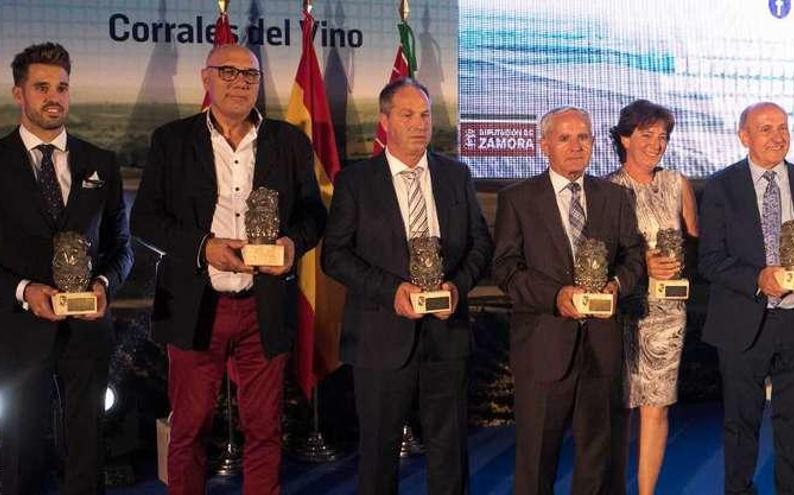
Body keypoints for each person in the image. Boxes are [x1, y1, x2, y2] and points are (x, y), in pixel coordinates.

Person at [130, 44, 326, 495]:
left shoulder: (290, 141)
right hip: (198, 305)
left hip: (265, 305)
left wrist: (292, 244)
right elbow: (144, 220)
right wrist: (204, 248)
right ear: (206, 78)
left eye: (251, 75)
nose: (240, 82)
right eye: (229, 72)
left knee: (265, 429)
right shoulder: (172, 140)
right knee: (190, 430)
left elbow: (314, 215)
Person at [321, 77, 492, 495]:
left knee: (449, 452)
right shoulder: (356, 181)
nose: (420, 124)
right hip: (380, 337)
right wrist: (390, 291)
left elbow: (480, 244)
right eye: (407, 115)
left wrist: (458, 287)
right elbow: (335, 256)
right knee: (378, 456)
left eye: (425, 115)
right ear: (385, 121)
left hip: (446, 336)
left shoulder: (456, 174)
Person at [0, 42, 133, 494]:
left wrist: (103, 284)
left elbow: (122, 247)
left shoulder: (101, 162)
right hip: (17, 331)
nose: (53, 96)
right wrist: (23, 290)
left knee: (87, 452)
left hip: (88, 331)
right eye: (41, 87)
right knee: (20, 454)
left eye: (61, 87)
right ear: (19, 93)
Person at [493, 106, 644, 495]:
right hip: (544, 347)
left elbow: (633, 257)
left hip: (601, 347)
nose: (577, 146)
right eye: (565, 138)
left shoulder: (615, 197)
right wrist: (555, 297)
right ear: (544, 145)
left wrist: (616, 286)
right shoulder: (518, 199)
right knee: (536, 461)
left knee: (597, 458)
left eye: (584, 137)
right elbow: (506, 270)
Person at [699, 102, 794, 494]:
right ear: (744, 136)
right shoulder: (720, 187)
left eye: (782, 127)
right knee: (740, 427)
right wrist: (757, 279)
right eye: (765, 129)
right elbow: (710, 260)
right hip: (743, 323)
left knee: (793, 432)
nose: (777, 136)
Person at [606, 99, 698, 495]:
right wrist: (642, 264)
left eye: (662, 136)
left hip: (667, 315)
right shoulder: (606, 189)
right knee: (620, 409)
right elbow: (598, 256)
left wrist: (680, 267)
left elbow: (694, 247)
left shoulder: (677, 184)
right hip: (623, 311)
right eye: (647, 135)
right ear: (625, 138)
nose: (656, 144)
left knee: (656, 408)